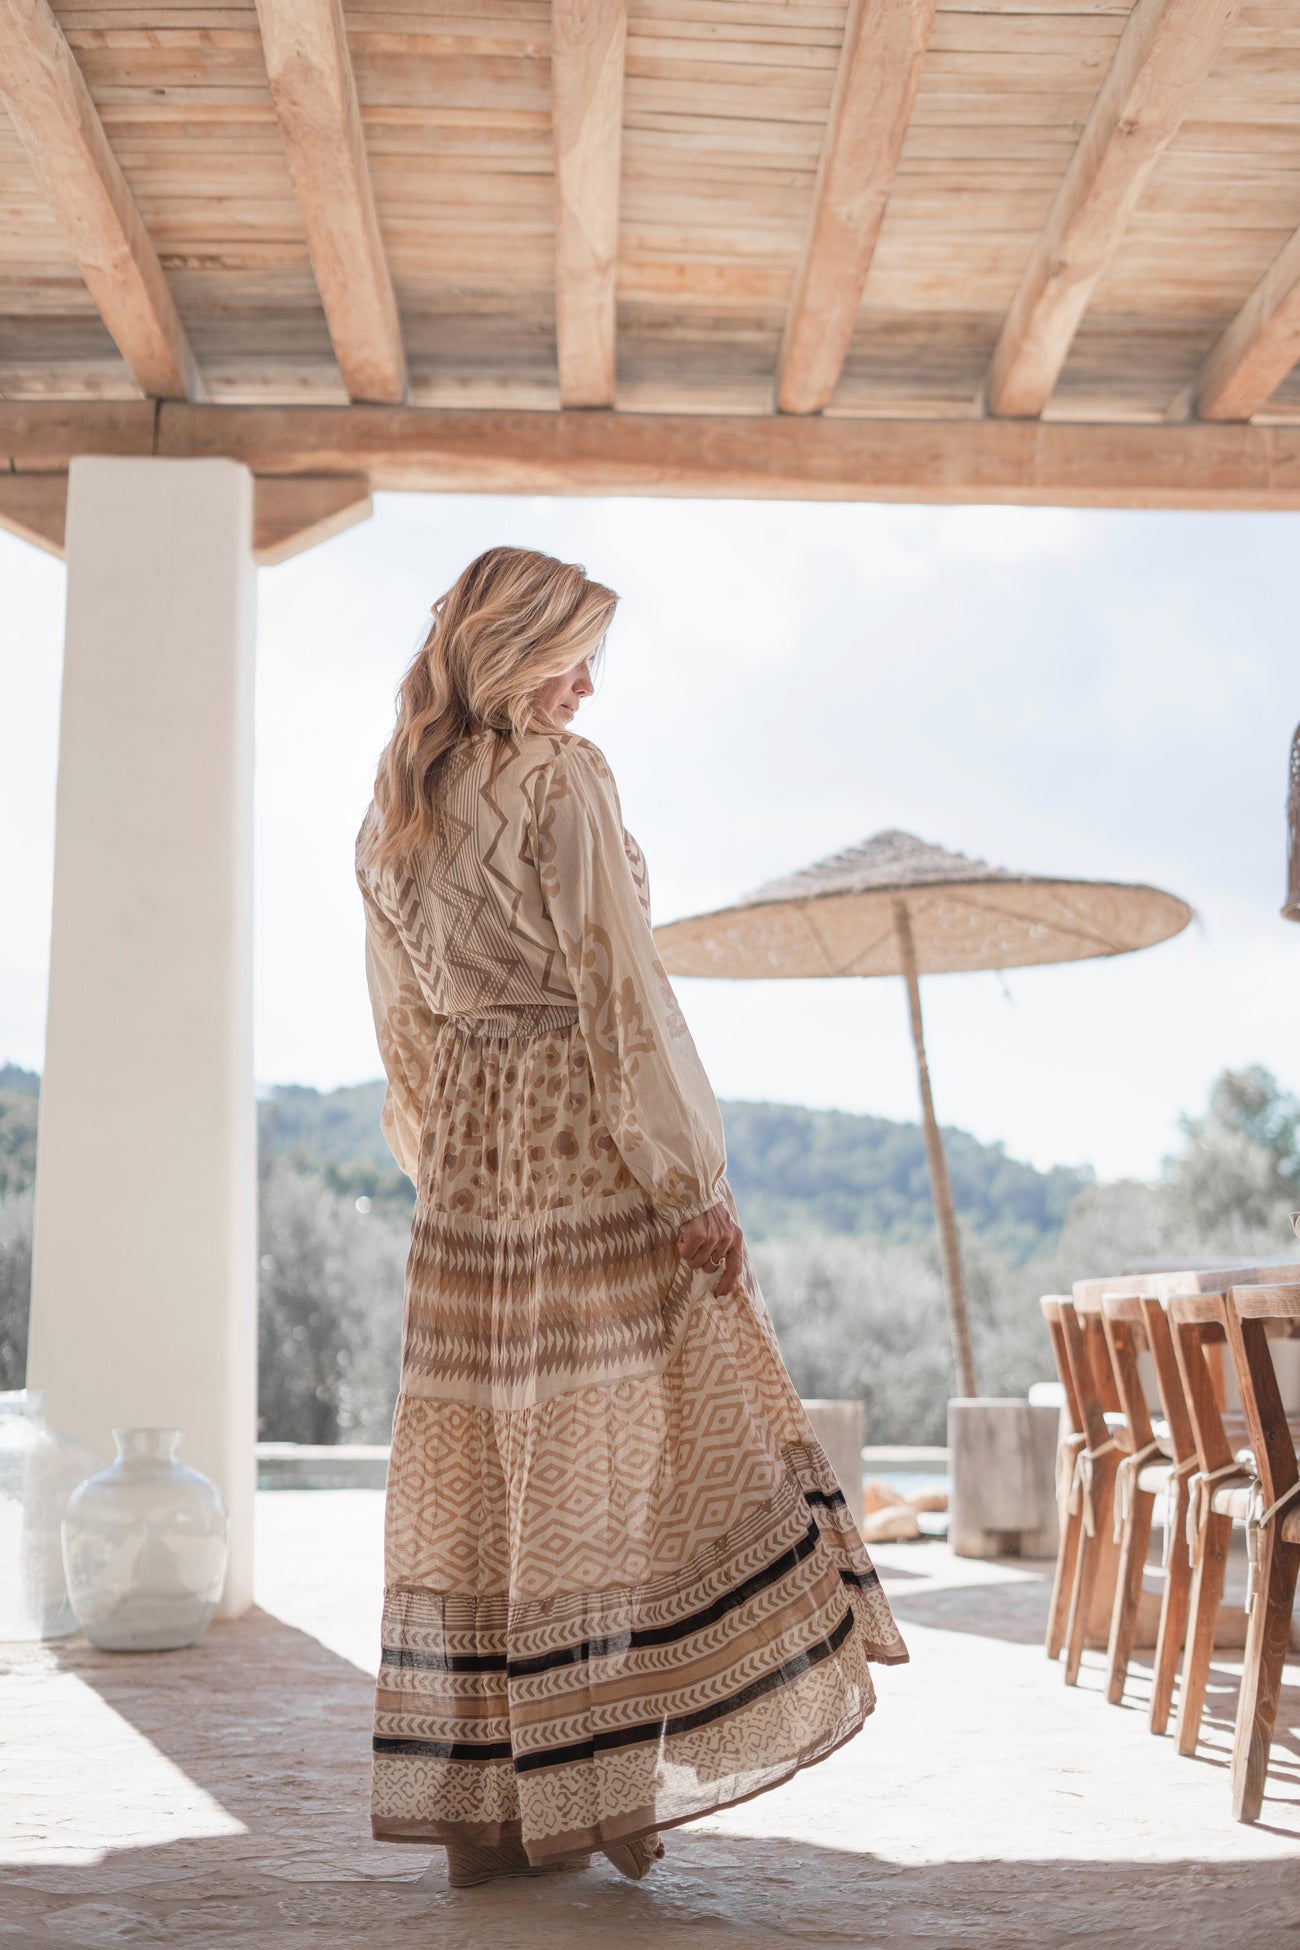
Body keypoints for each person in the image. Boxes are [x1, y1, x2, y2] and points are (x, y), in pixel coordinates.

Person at [355, 545, 908, 1889]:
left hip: (472, 1164)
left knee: (492, 1473)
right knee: (623, 1462)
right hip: (585, 1142)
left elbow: (400, 1020)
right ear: (513, 651)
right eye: (573, 657)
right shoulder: (563, 778)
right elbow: (620, 985)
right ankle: (600, 1784)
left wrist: (446, 1165)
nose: (588, 687)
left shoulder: (393, 806)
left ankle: (495, 1808)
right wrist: (690, 1177)